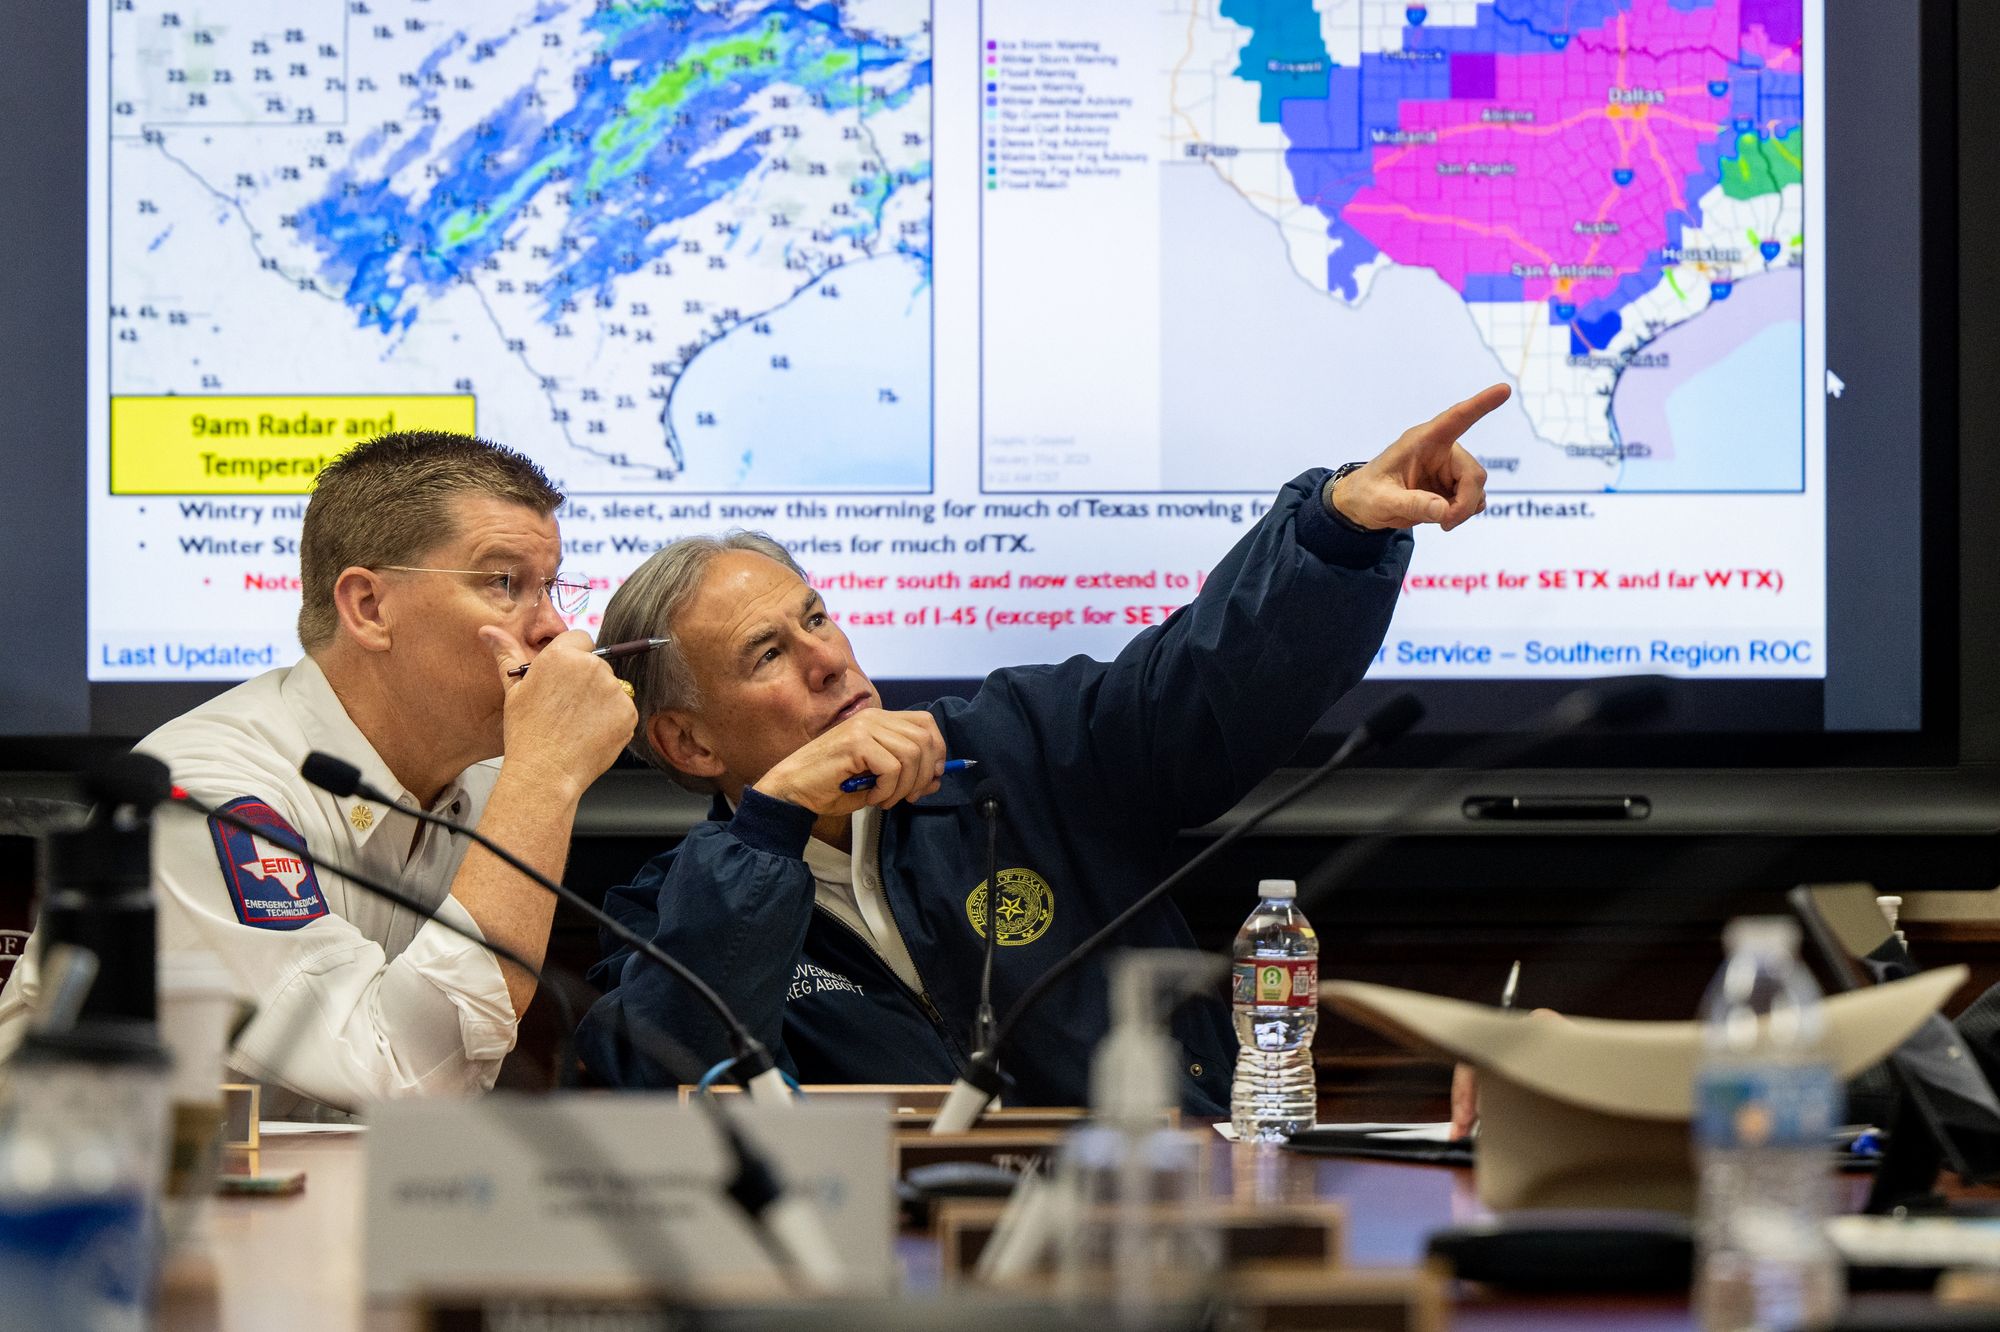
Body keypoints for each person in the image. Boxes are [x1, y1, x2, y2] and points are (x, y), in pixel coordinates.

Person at [577, 386, 1507, 1111]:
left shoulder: (1015, 746)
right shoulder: (669, 920)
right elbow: (671, 1091)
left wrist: (1335, 531)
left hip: (1161, 1226)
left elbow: (1199, 682)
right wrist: (772, 829)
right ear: (688, 742)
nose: (829, 659)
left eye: (816, 617)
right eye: (767, 654)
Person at [0, 432, 636, 1116]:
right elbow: (395, 1081)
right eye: (505, 583)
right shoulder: (207, 791)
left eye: (552, 587)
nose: (555, 628)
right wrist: (545, 778)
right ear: (368, 607)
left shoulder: (486, 781)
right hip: (71, 1202)